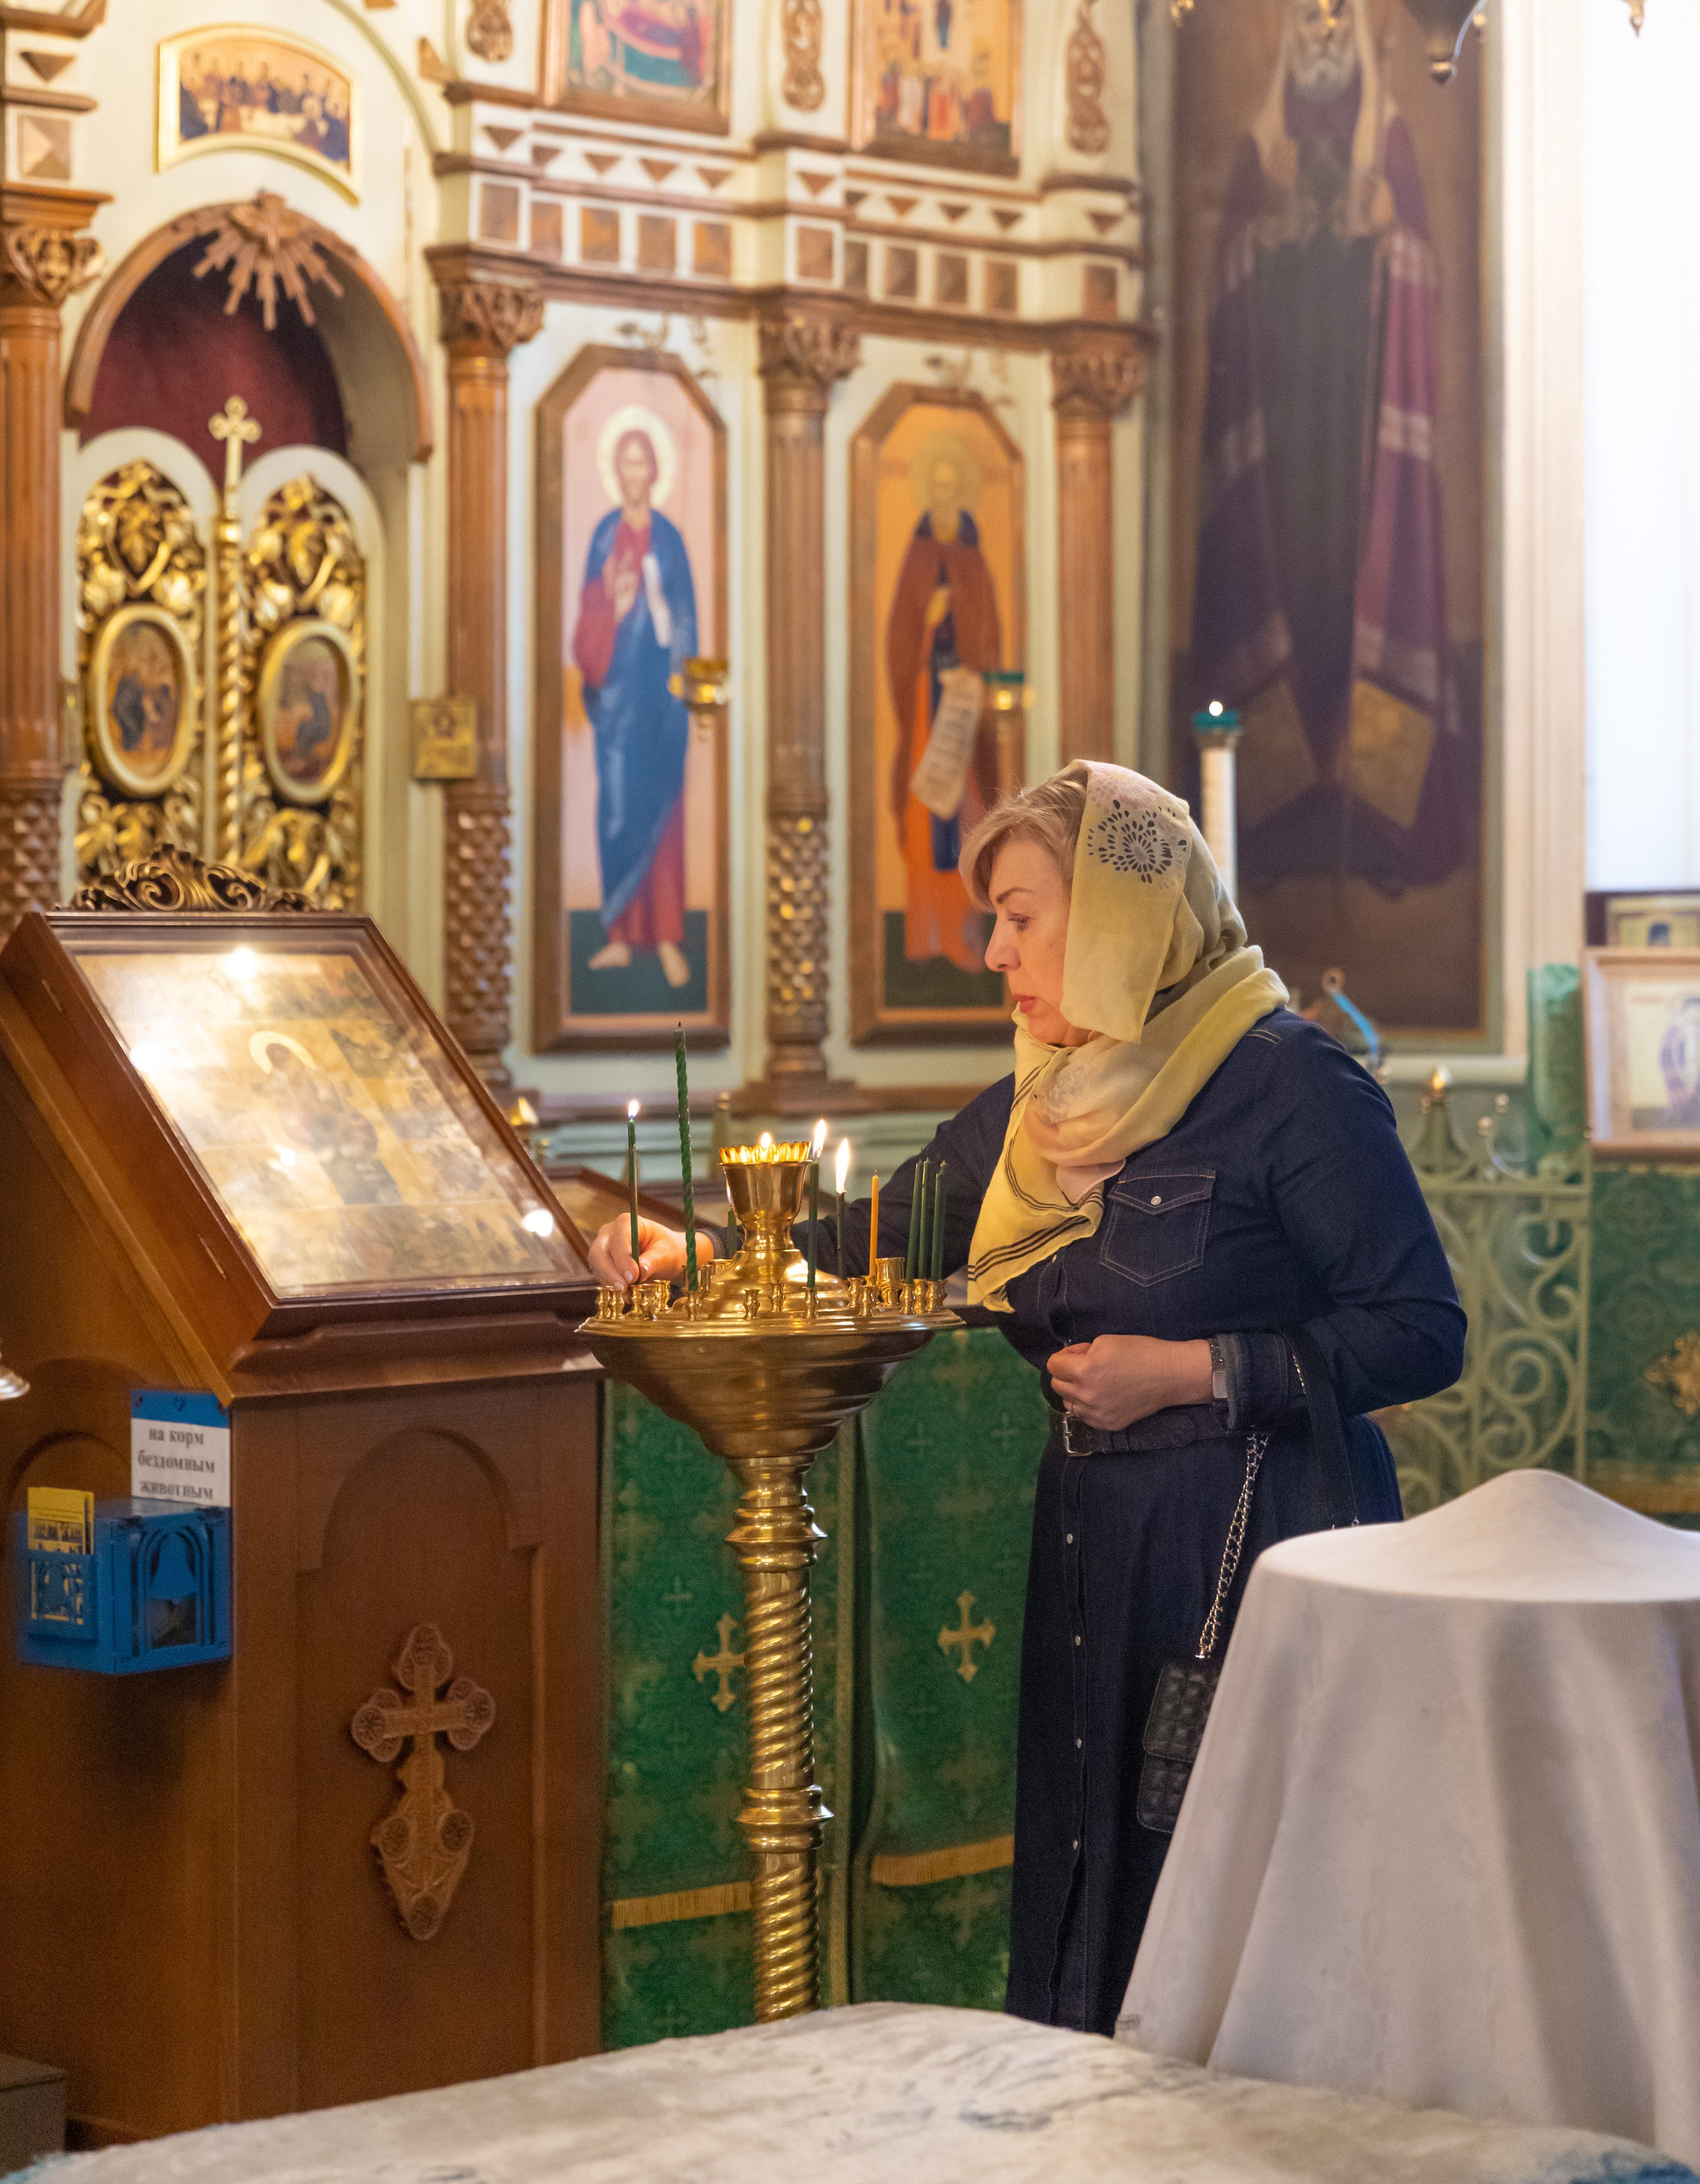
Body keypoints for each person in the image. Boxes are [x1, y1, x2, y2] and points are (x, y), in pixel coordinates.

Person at [590, 760, 1463, 2031]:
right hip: (1093, 1551)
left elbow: (1420, 1332)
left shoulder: (1288, 1086)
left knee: (1240, 1903)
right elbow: (875, 1235)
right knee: (1089, 1880)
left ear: (1117, 917)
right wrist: (705, 1261)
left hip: (1260, 1548)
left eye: (1021, 916)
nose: (994, 952)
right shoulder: (1038, 1107)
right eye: (994, 918)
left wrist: (1195, 1371)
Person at [1192, 0, 1467, 891]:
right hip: (1282, 425)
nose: (1317, 36)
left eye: (1331, 20)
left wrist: (1390, 233)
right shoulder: (1257, 150)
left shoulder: (1387, 146)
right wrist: (1260, 237)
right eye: (1304, 21)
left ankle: (1368, 810)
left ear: (1356, 36)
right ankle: (1288, 811)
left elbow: (1422, 280)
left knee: (1353, 580)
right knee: (1293, 579)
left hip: (1357, 418)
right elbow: (1225, 290)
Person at [573, 420, 697, 992]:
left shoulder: (670, 540)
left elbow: (687, 621)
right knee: (620, 811)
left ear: (653, 472)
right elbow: (587, 626)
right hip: (618, 706)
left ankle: (668, 936)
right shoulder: (604, 537)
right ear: (616, 473)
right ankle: (620, 936)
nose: (633, 474)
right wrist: (616, 609)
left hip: (661, 705)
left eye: (642, 463)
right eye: (625, 463)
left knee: (665, 817)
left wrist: (688, 687)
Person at [885, 445, 1002, 973]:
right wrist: (930, 623)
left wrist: (975, 672)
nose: (944, 497)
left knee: (968, 812)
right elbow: (899, 636)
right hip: (925, 705)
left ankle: (962, 932)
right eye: (937, 487)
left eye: (953, 487)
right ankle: (924, 934)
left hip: (964, 707)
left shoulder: (974, 558)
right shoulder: (916, 554)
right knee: (925, 808)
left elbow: (989, 632)